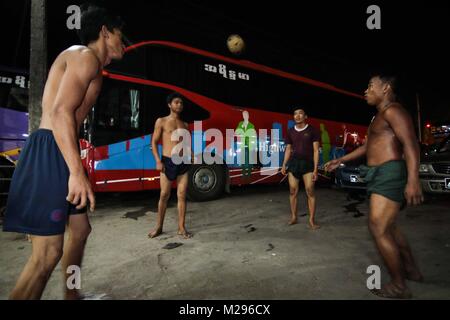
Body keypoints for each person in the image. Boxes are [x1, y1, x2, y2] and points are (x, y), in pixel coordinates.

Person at [2, 6, 125, 299]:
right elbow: (59, 113)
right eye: (121, 35)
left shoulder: (90, 63)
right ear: (105, 32)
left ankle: (72, 295)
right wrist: (76, 172)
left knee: (80, 231)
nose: (125, 43)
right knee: (46, 255)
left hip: (58, 148)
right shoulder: (86, 57)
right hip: (50, 148)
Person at [325, 74, 424, 299]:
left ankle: (398, 285)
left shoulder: (393, 111)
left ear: (386, 88)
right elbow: (368, 147)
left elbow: (411, 144)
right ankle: (411, 270)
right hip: (380, 175)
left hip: (389, 173)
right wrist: (340, 160)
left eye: (371, 86)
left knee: (377, 227)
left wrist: (413, 180)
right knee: (389, 227)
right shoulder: (380, 116)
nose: (366, 90)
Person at [148, 93, 193, 239]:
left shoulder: (185, 125)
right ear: (169, 105)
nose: (179, 105)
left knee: (181, 195)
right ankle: (159, 227)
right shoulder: (161, 121)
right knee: (164, 194)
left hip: (183, 162)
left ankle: (181, 227)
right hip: (168, 161)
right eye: (176, 102)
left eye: (181, 103)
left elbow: (186, 144)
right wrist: (158, 161)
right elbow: (153, 142)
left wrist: (191, 154)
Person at [281, 109, 320, 229]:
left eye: (300, 113)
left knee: (310, 190)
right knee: (292, 191)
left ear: (305, 116)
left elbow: (315, 151)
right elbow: (288, 149)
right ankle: (294, 217)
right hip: (294, 164)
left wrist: (315, 169)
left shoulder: (312, 130)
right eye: (295, 114)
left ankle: (311, 220)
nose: (297, 116)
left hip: (307, 164)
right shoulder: (290, 131)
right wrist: (284, 164)